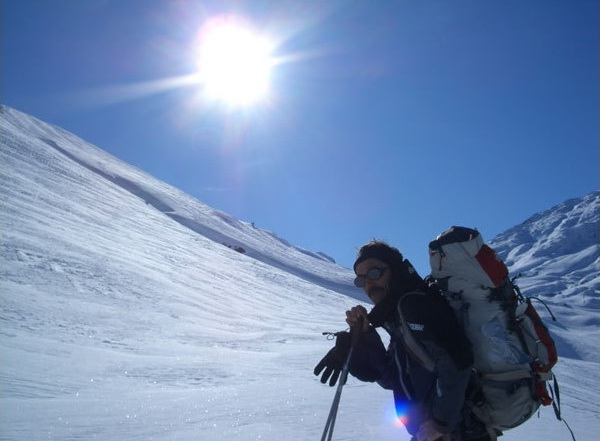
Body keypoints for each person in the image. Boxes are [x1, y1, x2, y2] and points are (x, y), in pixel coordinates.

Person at [314, 241, 488, 441]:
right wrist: (364, 338)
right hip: (432, 432)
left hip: (455, 431)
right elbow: (393, 378)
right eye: (361, 280)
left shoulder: (415, 306)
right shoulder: (397, 317)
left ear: (395, 270)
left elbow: (458, 360)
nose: (368, 284)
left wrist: (441, 422)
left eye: (374, 273)